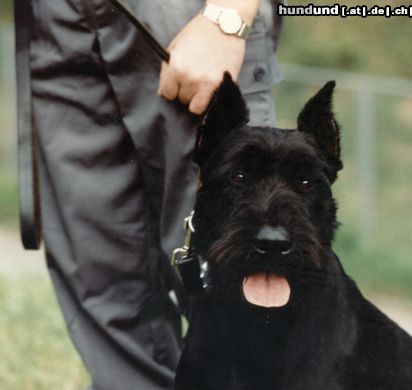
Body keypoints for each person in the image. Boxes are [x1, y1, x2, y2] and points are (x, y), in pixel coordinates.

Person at [28, 0, 282, 388]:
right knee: (104, 278)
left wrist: (229, 17)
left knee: (237, 289)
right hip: (58, 18)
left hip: (186, 13)